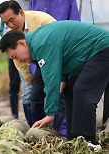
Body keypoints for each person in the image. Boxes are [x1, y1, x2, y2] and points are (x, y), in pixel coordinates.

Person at [0, 20, 109, 145]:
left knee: (82, 91)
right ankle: (74, 140)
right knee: (70, 90)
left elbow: (51, 80)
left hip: (102, 48)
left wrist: (50, 114)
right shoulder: (35, 47)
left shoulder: (41, 44)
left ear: (22, 43)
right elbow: (59, 63)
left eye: (15, 56)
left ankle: (90, 142)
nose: (18, 60)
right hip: (87, 55)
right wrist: (62, 79)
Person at [0, 0, 56, 126]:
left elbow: (57, 46)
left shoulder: (43, 21)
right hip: (33, 63)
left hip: (52, 59)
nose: (10, 25)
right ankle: (34, 129)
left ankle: (60, 129)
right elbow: (15, 58)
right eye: (6, 23)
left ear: (21, 13)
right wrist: (27, 75)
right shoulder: (9, 32)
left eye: (12, 20)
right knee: (31, 95)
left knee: (54, 90)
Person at [29, 0, 80, 136]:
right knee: (35, 97)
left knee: (60, 94)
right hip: (40, 54)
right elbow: (30, 22)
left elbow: (75, 23)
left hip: (61, 53)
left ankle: (60, 133)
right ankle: (39, 133)